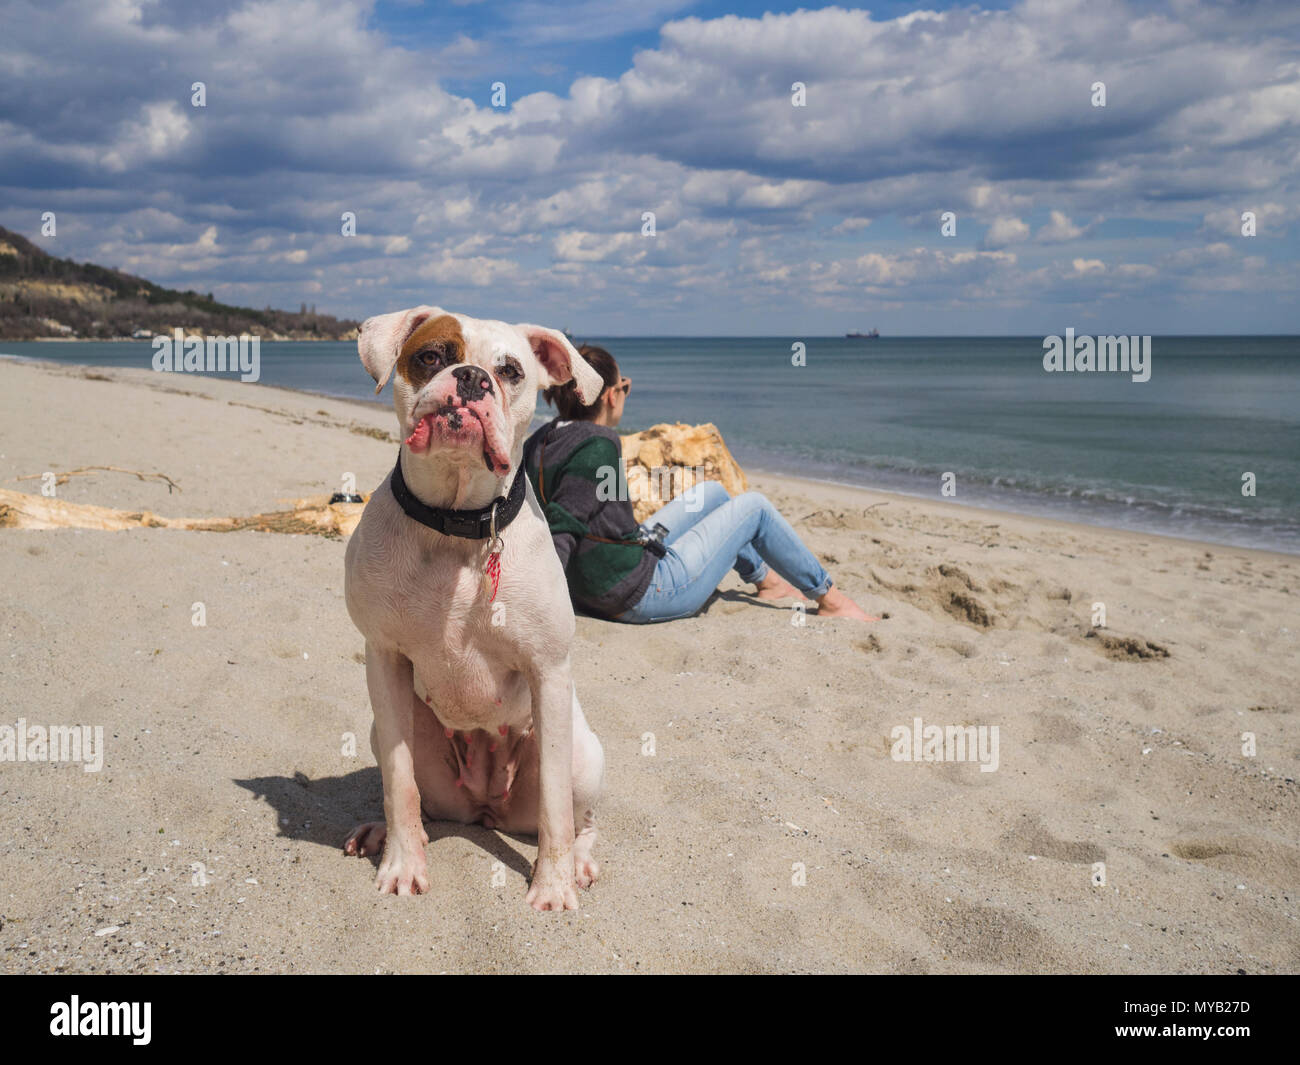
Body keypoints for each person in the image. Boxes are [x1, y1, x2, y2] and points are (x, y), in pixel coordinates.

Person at [521, 345, 876, 624]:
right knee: (755, 508)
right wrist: (545, 608)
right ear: (610, 395)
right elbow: (563, 526)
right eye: (624, 387)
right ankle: (831, 600)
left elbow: (587, 515)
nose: (626, 394)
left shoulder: (542, 439)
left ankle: (767, 582)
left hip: (612, 569)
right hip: (637, 594)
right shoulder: (599, 444)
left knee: (714, 494)